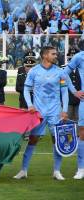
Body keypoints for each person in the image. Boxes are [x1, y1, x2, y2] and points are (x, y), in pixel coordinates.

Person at [14, 46, 69, 180]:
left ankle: (57, 171)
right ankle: (23, 170)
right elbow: (26, 90)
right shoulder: (34, 71)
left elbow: (64, 91)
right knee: (33, 140)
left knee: (57, 141)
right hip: (38, 113)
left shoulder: (60, 72)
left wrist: (65, 110)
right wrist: (30, 105)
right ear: (45, 56)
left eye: (56, 53)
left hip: (55, 112)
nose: (56, 56)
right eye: (53, 54)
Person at [63, 41, 84, 180]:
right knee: (82, 133)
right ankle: (81, 168)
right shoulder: (79, 56)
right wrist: (75, 91)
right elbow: (64, 74)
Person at [64, 48, 81, 122]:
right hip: (67, 99)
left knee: (79, 120)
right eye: (70, 57)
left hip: (80, 99)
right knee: (67, 120)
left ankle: (78, 134)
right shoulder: (63, 68)